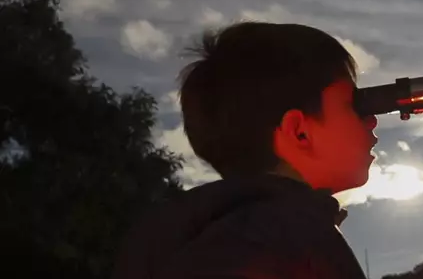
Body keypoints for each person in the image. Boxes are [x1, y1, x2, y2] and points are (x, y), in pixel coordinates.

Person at [111, 21, 379, 279]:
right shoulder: (280, 235)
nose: (371, 120)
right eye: (353, 105)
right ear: (299, 131)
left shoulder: (185, 239)